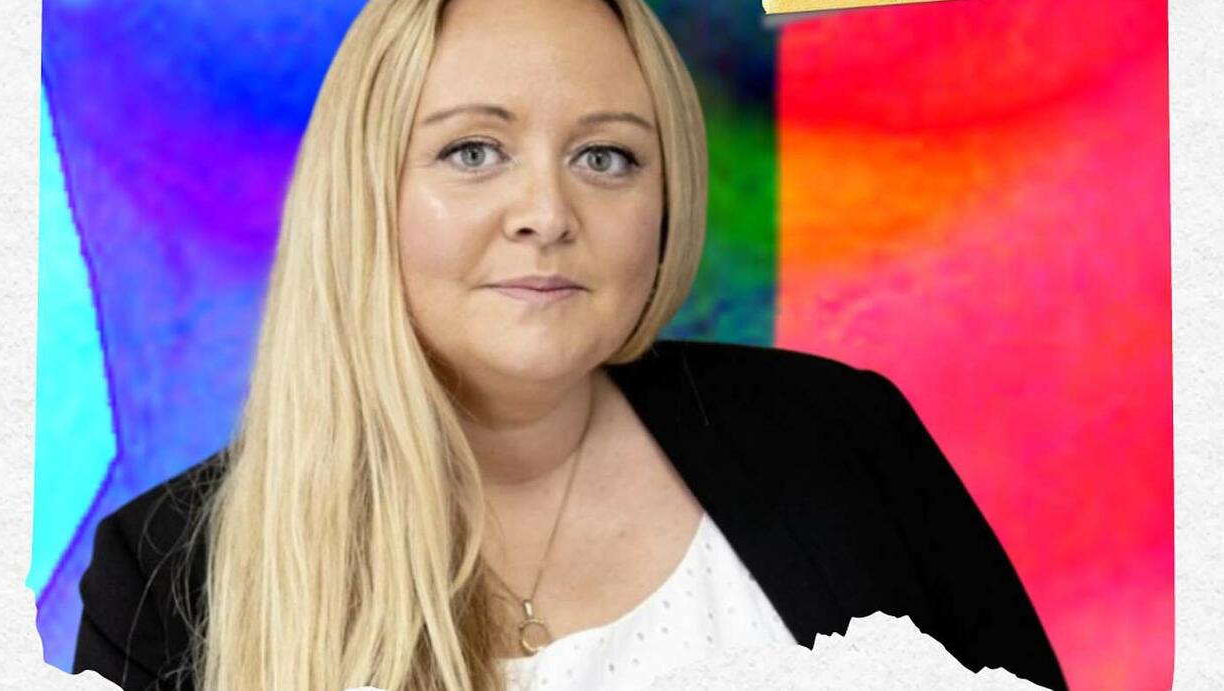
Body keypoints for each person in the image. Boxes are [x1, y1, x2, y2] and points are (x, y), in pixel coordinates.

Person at [71, 0, 1069, 689]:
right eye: (473, 151)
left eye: (607, 156)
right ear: (364, 192)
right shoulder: (158, 578)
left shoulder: (843, 437)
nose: (547, 213)